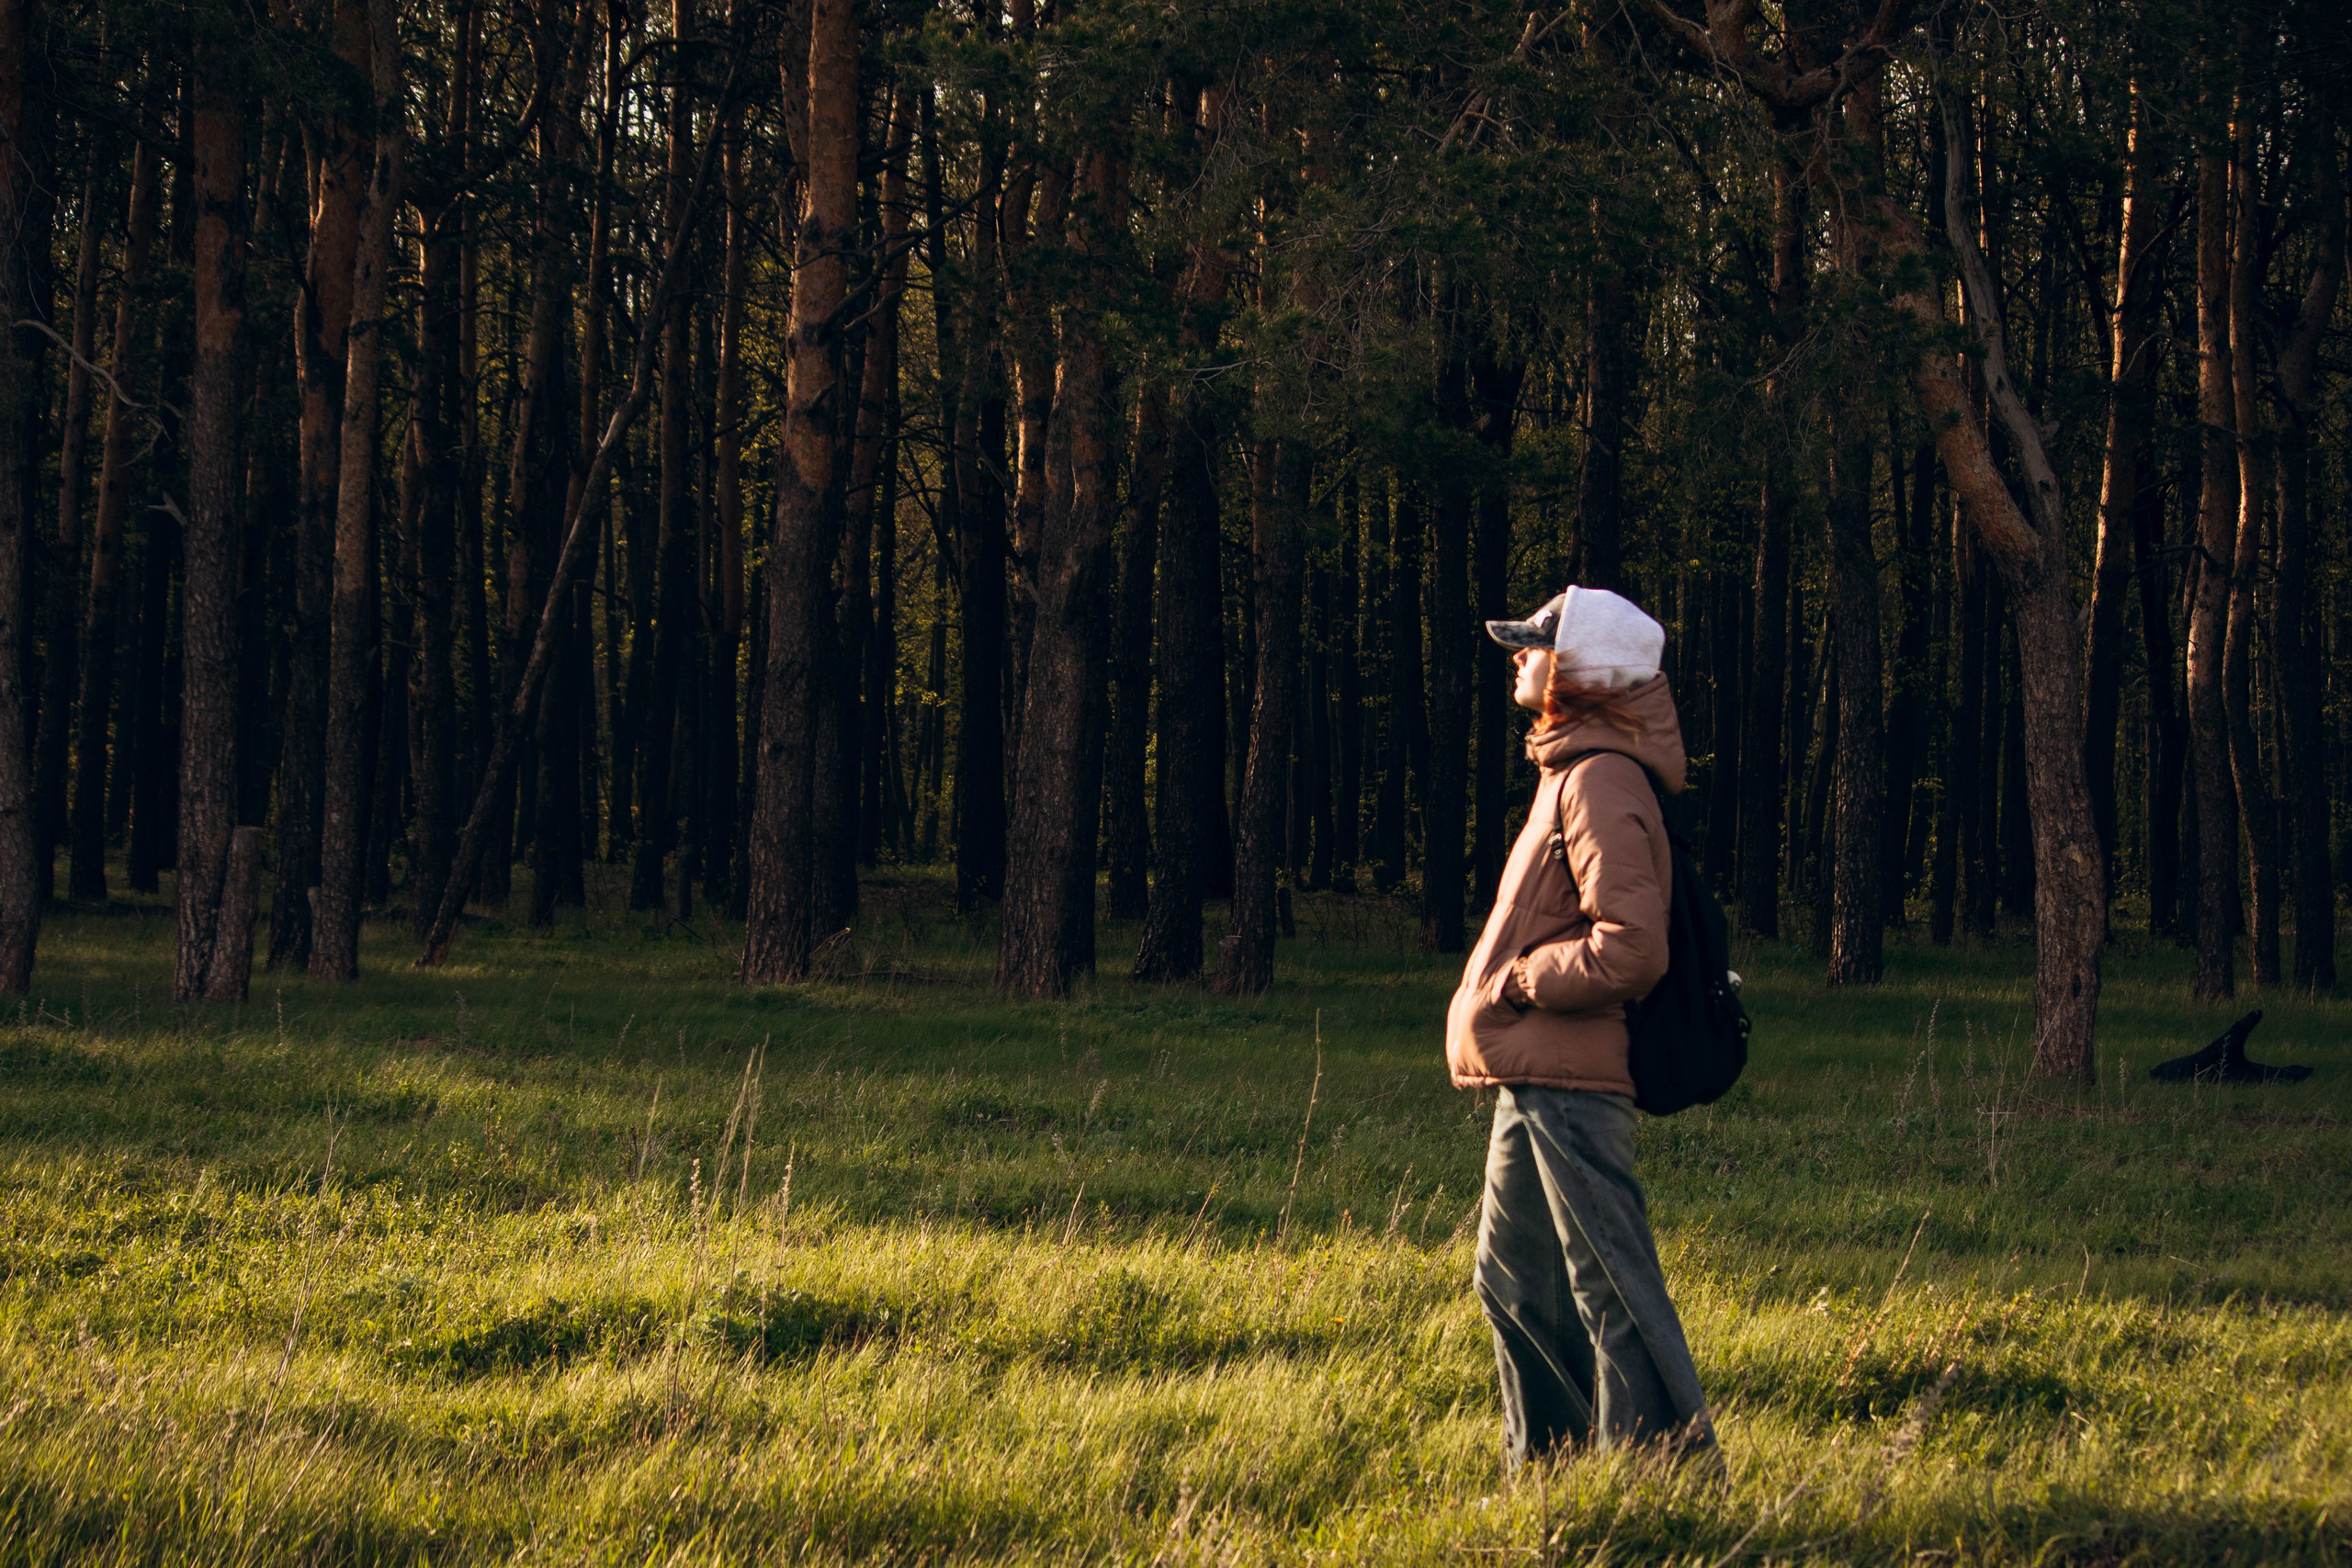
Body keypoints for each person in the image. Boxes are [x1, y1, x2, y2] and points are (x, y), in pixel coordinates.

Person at [1446, 585, 1716, 1467]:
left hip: (1572, 1079)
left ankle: (1666, 1484)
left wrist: (1523, 979)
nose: (1519, 657)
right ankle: (1551, 1478)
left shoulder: (1600, 779)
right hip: (1534, 1073)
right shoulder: (1568, 771)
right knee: (1515, 1281)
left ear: (1580, 671)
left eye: (1535, 644)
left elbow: (1633, 948)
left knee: (1613, 1289)